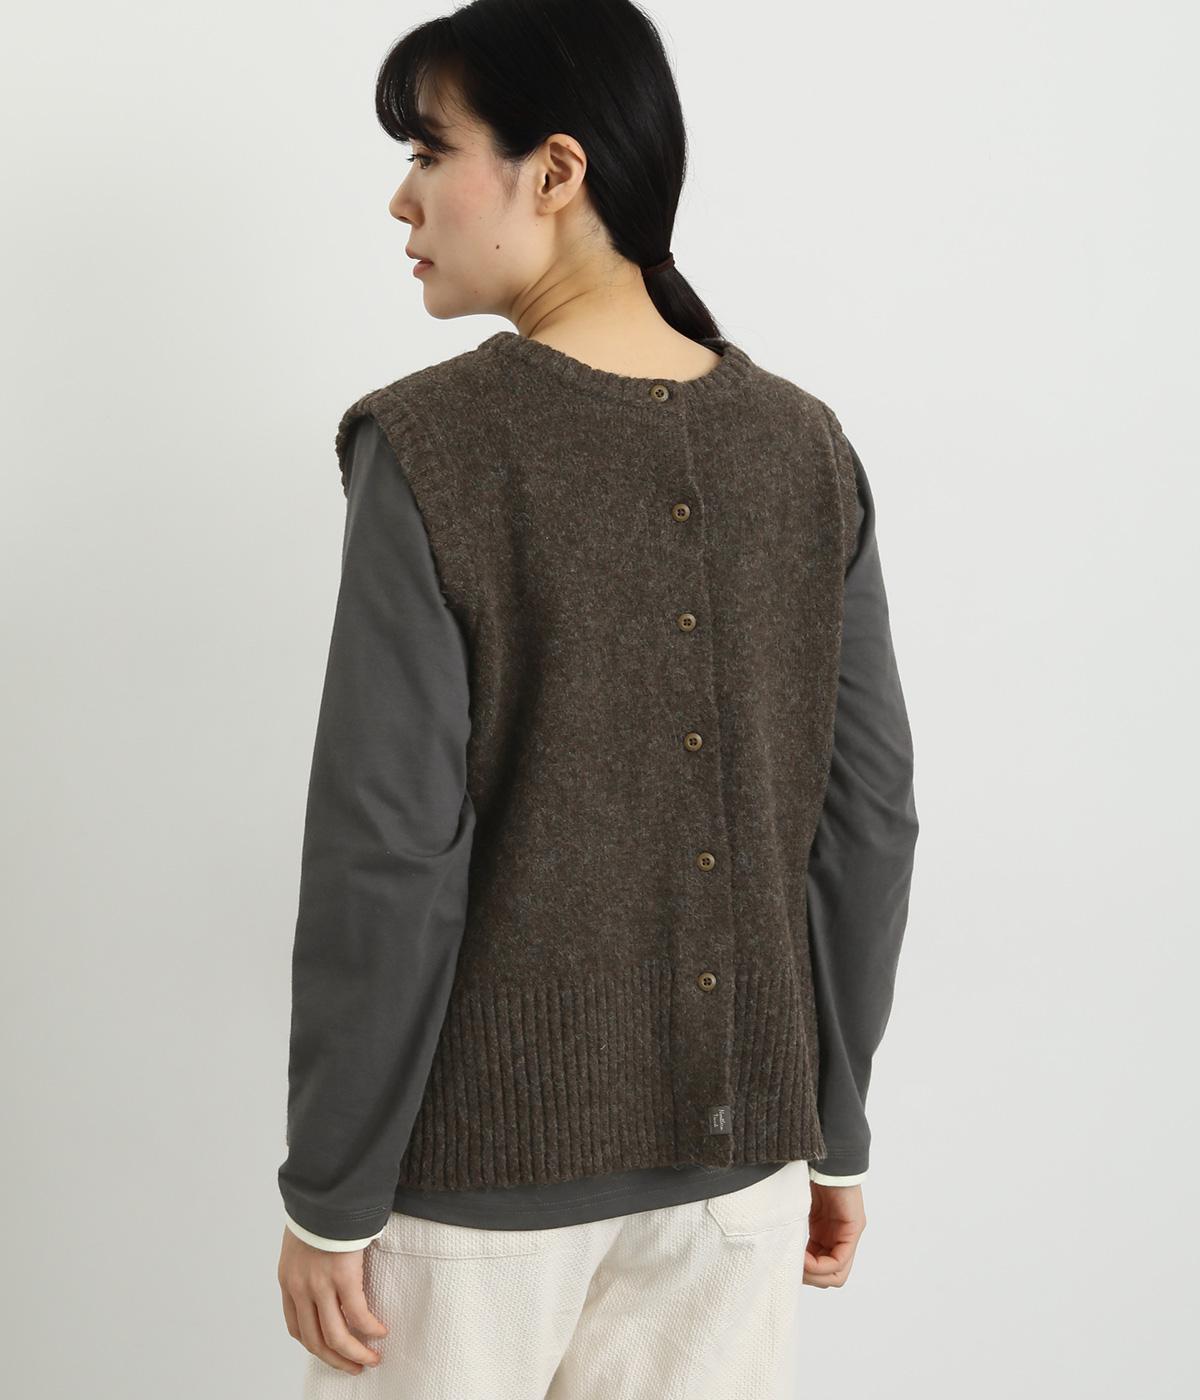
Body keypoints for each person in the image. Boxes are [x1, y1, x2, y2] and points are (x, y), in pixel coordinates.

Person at [276, 2, 919, 1396]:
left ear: (555, 171)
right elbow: (867, 825)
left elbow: (389, 850)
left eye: (429, 151)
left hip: (475, 1202)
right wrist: (835, 1127)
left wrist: (330, 1190)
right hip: (742, 1186)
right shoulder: (808, 448)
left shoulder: (431, 444)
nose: (402, 197)